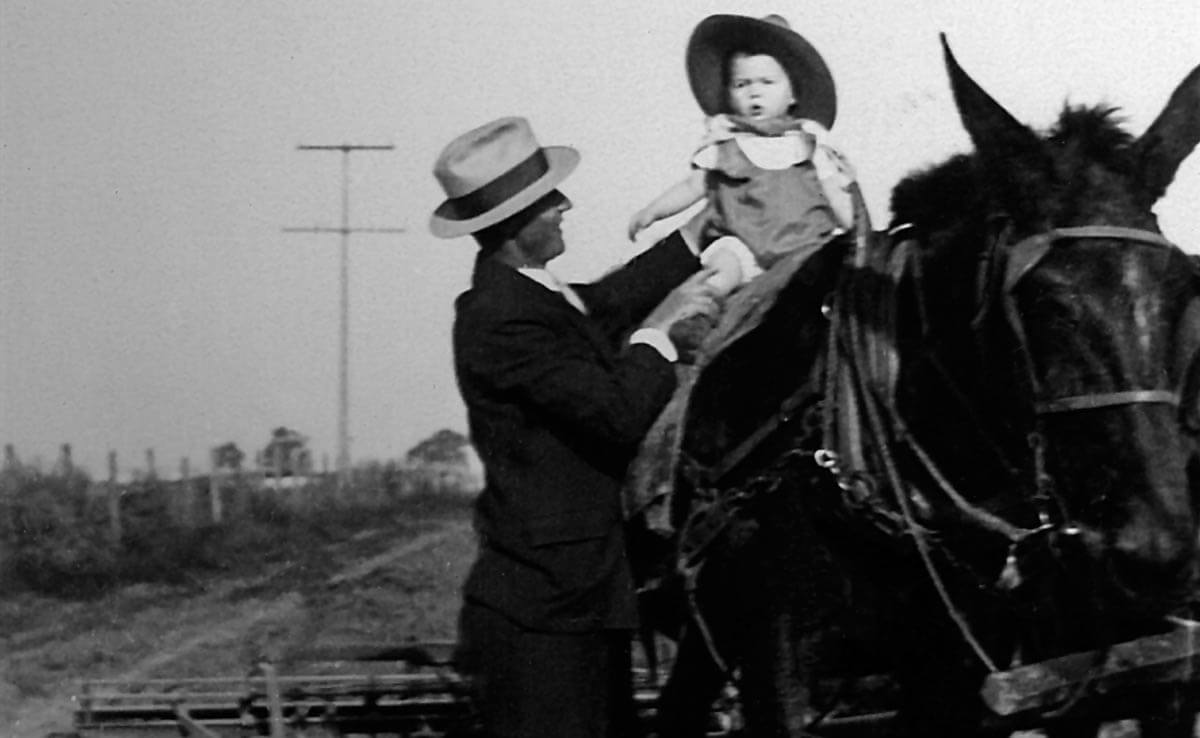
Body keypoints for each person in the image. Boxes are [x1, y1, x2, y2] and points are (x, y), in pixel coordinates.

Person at [429, 115, 720, 738]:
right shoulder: (499, 322)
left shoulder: (531, 296)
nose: (565, 205)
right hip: (544, 620)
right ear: (512, 224)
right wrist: (660, 333)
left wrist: (696, 232)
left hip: (578, 603)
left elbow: (608, 302)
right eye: (548, 200)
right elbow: (616, 418)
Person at [627, 13, 857, 349]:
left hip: (804, 242)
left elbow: (835, 192)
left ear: (793, 94)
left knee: (832, 272)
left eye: (767, 83)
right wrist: (653, 211)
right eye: (742, 85)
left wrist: (858, 228)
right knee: (722, 268)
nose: (754, 94)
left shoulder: (808, 144)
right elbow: (694, 186)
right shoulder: (726, 145)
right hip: (745, 242)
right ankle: (699, 319)